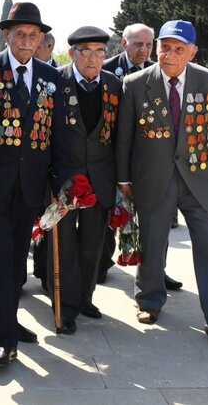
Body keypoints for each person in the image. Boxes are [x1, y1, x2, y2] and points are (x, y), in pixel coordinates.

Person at [115, 20, 208, 339]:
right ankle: (150, 299)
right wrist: (123, 178)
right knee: (153, 242)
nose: (169, 55)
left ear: (193, 52)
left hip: (201, 178)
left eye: (178, 49)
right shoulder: (135, 82)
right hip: (154, 178)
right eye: (164, 47)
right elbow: (124, 138)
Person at [0, 2, 64, 366]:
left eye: (33, 35)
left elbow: (56, 134)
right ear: (6, 36)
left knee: (16, 263)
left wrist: (59, 184)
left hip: (31, 186)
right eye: (19, 34)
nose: (26, 41)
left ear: (41, 38)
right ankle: (4, 340)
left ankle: (10, 322)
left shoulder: (51, 76)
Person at [50, 26, 122, 334]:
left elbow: (119, 136)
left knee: (93, 245)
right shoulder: (55, 82)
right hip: (65, 180)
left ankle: (85, 297)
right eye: (85, 53)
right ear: (73, 54)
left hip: (100, 178)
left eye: (99, 53)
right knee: (65, 246)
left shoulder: (114, 85)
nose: (92, 60)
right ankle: (66, 308)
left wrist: (121, 181)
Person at [100, 24, 182, 289]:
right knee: (111, 216)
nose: (143, 50)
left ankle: (157, 270)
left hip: (151, 161)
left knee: (158, 220)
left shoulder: (162, 73)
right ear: (123, 44)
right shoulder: (108, 71)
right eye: (138, 44)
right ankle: (101, 263)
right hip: (113, 157)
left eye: (148, 45)